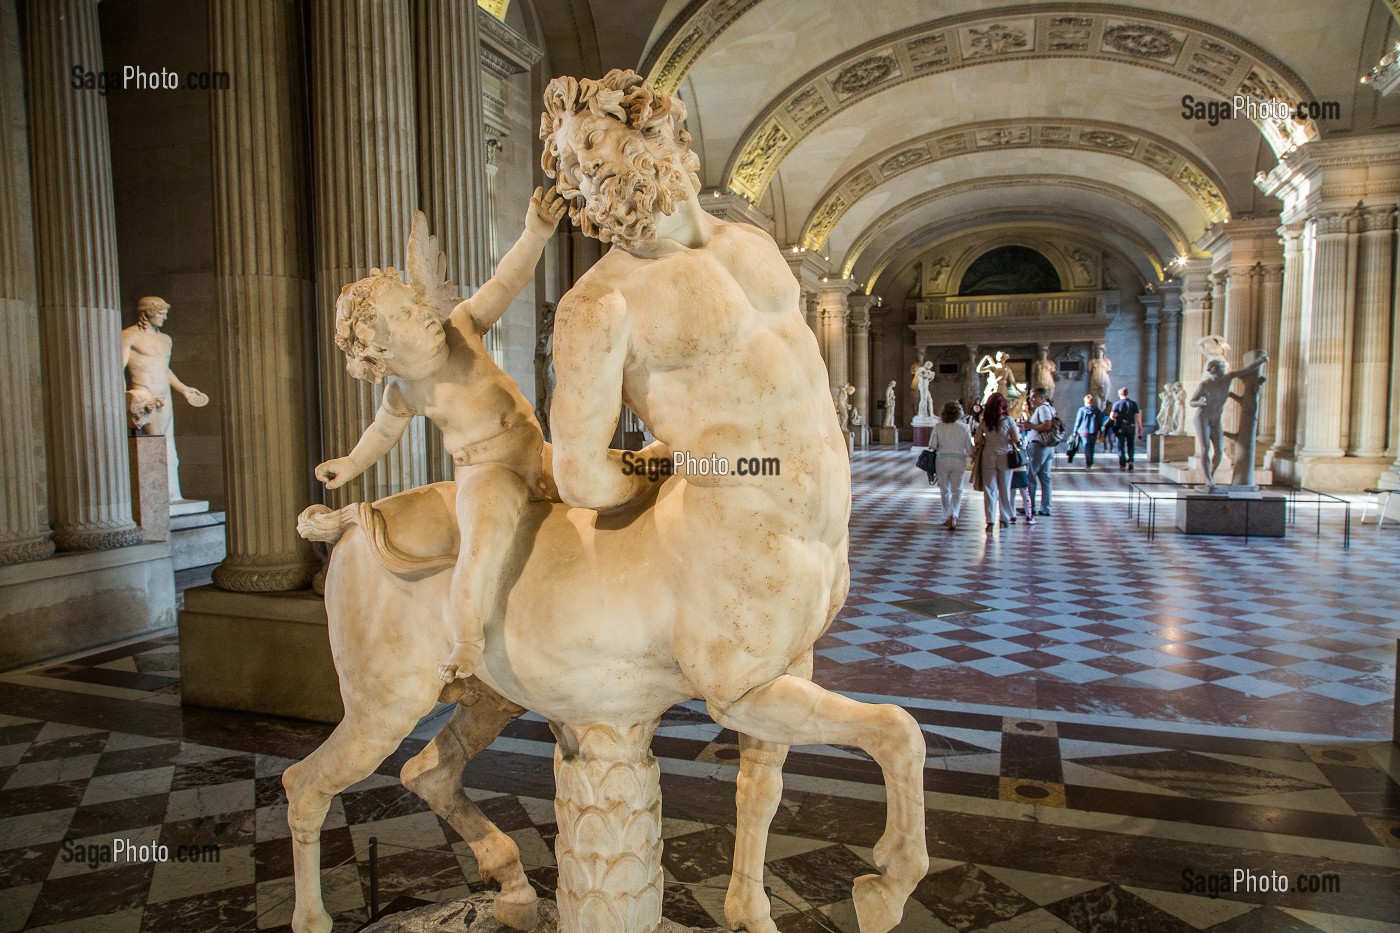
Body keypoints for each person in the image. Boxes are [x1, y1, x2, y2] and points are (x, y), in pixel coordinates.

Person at [316, 188, 567, 687]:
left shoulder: (461, 327)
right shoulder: (403, 391)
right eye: (407, 316)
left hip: (536, 451)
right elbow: (382, 432)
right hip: (488, 472)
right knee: (482, 547)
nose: (426, 315)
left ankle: (686, 466)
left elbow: (505, 281)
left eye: (416, 303)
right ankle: (468, 639)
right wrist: (350, 463)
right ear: (380, 348)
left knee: (617, 472)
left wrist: (536, 232)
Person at [121, 297, 210, 503]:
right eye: (160, 313)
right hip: (144, 395)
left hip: (164, 396)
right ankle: (155, 499)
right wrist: (125, 397)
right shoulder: (129, 336)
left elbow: (163, 369)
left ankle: (172, 495)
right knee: (154, 445)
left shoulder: (166, 339)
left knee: (169, 447)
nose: (165, 317)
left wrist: (184, 389)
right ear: (147, 313)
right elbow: (119, 366)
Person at [973, 392, 1020, 531]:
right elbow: (1017, 439)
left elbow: (976, 439)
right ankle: (1004, 518)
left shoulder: (984, 421)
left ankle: (990, 520)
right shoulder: (1009, 421)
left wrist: (985, 440)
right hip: (1005, 455)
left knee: (990, 489)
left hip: (988, 456)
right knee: (1005, 488)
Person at [927, 401, 975, 529]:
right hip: (958, 460)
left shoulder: (938, 426)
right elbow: (969, 448)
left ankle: (946, 516)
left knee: (944, 490)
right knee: (957, 490)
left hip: (942, 460)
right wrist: (974, 457)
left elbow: (932, 445)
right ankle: (953, 514)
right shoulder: (964, 427)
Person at [1019, 387, 1057, 516]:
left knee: (1030, 476)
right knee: (1045, 477)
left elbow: (1047, 425)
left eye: (1034, 397)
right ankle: (1045, 508)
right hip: (1046, 447)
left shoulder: (1043, 409)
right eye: (1030, 397)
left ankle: (1030, 507)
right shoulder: (1048, 408)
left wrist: (1030, 426)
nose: (1031, 399)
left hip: (1038, 446)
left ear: (1042, 398)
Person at [1109, 387, 1143, 471]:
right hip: (1131, 426)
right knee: (1130, 445)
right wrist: (1140, 426)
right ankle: (1131, 461)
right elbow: (1138, 416)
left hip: (1120, 427)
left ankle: (1122, 464)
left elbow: (1112, 416)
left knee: (1121, 446)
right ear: (1127, 394)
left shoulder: (1116, 404)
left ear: (1119, 394)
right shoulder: (1133, 403)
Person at [1072, 394, 1104, 469]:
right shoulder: (1097, 410)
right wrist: (1100, 431)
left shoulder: (1081, 410)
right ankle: (1091, 461)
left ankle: (1088, 462)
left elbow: (1078, 421)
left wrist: (1075, 431)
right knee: (1092, 447)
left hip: (1083, 432)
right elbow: (1100, 421)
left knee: (1086, 446)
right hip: (1093, 431)